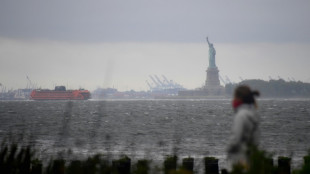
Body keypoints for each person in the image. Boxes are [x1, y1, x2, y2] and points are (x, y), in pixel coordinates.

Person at [227, 85, 260, 168]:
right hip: (251, 155)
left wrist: (229, 150)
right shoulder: (253, 113)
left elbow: (236, 139)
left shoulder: (241, 115)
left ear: (239, 98)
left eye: (234, 97)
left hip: (240, 158)